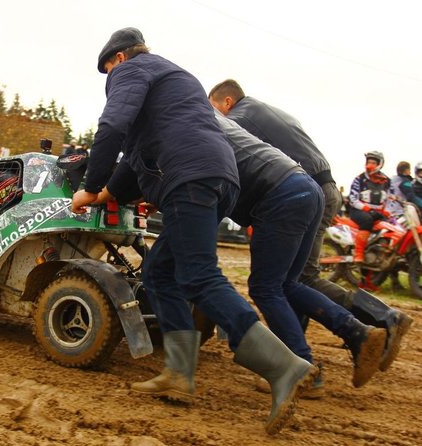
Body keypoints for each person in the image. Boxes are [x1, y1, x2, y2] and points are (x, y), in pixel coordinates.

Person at [71, 27, 318, 436]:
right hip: (217, 178)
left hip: (189, 178)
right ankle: (178, 374)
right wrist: (105, 194)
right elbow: (134, 161)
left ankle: (283, 365)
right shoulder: (177, 81)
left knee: (200, 276)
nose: (109, 81)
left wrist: (90, 186)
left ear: (117, 59)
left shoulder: (132, 70)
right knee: (161, 273)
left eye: (107, 72)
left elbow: (112, 126)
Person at [209, 80, 412, 372]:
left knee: (293, 279)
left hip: (298, 190)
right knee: (291, 279)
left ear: (226, 102)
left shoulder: (238, 121)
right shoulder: (266, 110)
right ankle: (320, 346)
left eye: (215, 108)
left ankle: (374, 321)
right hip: (318, 186)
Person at [348, 151, 393, 263]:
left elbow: (390, 198)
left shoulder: (387, 181)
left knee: (390, 225)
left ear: (380, 164)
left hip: (377, 211)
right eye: (369, 162)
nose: (370, 164)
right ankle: (358, 253)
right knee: (367, 220)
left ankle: (382, 254)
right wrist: (366, 208)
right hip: (359, 210)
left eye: (373, 162)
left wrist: (387, 211)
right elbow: (352, 199)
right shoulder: (359, 179)